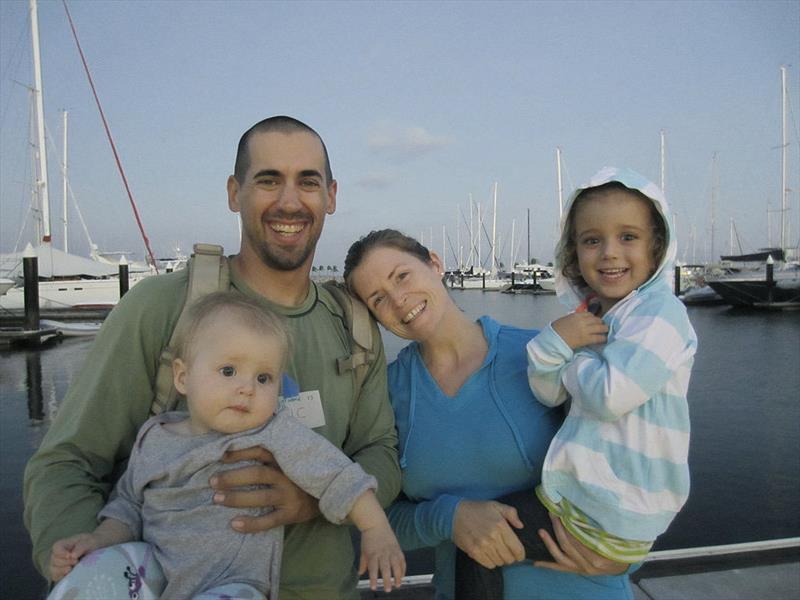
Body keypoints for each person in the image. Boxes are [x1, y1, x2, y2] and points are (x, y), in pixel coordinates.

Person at [24, 116, 402, 599]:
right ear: (233, 193)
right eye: (268, 180)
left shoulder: (354, 326)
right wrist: (86, 570)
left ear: (330, 196)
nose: (289, 201)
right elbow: (66, 464)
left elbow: (381, 453)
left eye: (307, 182)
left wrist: (312, 498)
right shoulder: (163, 308)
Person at [47, 292, 405, 599]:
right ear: (183, 377)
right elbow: (127, 506)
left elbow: (339, 477)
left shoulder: (272, 432)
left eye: (264, 378)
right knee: (83, 583)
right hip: (157, 573)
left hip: (234, 586)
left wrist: (376, 530)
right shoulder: (153, 436)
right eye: (229, 371)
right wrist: (96, 542)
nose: (247, 388)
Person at [344, 229, 636, 600]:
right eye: (378, 299)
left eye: (402, 276)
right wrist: (450, 518)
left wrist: (628, 558)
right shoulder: (386, 392)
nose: (399, 300)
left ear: (434, 264)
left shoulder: (542, 354)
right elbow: (378, 516)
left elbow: (636, 461)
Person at [456, 167, 697, 599]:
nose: (609, 252)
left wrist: (566, 353)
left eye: (628, 237)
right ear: (574, 250)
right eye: (592, 240)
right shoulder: (595, 316)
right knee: (484, 529)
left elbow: (610, 395)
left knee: (477, 538)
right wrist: (557, 342)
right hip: (587, 503)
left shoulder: (660, 314)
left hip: (613, 512)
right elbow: (546, 391)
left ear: (656, 246)